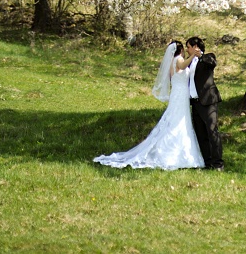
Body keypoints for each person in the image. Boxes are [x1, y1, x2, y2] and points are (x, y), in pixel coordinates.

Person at [93, 40, 205, 170]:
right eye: (185, 49)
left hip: (179, 94)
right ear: (180, 50)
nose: (186, 50)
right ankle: (175, 154)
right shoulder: (178, 60)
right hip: (179, 95)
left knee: (179, 120)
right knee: (177, 121)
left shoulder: (173, 61)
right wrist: (193, 56)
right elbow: (184, 66)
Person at [184, 36, 224, 171]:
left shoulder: (207, 58)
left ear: (196, 47)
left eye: (188, 47)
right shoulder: (188, 62)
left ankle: (218, 163)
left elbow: (212, 62)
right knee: (201, 134)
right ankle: (208, 162)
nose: (187, 50)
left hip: (208, 101)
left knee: (212, 132)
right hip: (195, 102)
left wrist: (200, 55)